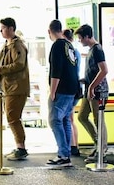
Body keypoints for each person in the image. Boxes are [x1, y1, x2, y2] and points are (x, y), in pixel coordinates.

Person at [0, 17, 30, 161]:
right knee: (11, 117)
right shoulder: (8, 44)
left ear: (11, 28)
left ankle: (21, 148)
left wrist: (1, 69)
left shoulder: (17, 45)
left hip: (16, 87)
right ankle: (19, 146)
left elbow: (19, 64)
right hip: (9, 87)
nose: (1, 31)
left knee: (13, 117)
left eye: (3, 28)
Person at [75, 24, 109, 163]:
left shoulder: (97, 49)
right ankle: (98, 143)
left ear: (87, 36)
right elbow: (95, 71)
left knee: (98, 120)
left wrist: (91, 87)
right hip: (90, 89)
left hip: (98, 91)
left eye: (80, 38)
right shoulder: (91, 50)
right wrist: (85, 81)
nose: (79, 40)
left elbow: (104, 70)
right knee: (82, 116)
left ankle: (102, 150)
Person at [46, 19, 78, 168]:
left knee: (54, 120)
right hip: (72, 89)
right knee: (65, 119)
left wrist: (52, 91)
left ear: (49, 31)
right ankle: (66, 153)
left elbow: (56, 70)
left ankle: (63, 154)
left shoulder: (57, 45)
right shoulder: (68, 45)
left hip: (62, 89)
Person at [63, 28, 82, 157]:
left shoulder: (70, 52)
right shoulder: (77, 52)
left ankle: (73, 146)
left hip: (71, 88)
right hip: (76, 87)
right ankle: (74, 145)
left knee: (68, 118)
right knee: (70, 118)